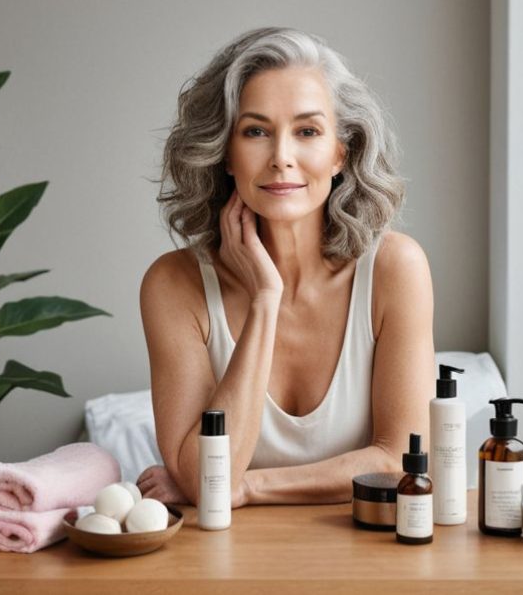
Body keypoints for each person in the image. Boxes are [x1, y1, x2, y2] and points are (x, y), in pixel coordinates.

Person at [137, 27, 434, 507]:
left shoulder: (395, 270)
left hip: (371, 559)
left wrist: (249, 486)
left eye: (308, 132)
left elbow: (400, 460)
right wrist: (264, 301)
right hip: (223, 566)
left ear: (342, 151)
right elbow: (199, 479)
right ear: (225, 155)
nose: (281, 158)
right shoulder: (174, 285)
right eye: (256, 131)